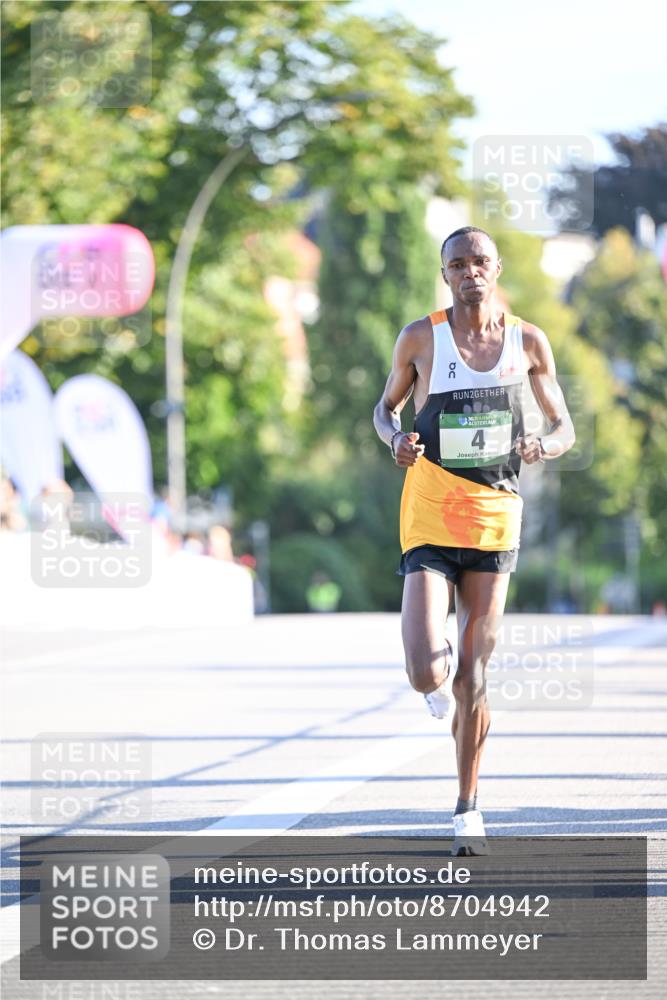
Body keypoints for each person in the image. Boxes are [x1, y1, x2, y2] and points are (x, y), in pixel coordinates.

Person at [373, 226, 575, 856]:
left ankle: (467, 808)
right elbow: (384, 410)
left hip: (493, 516)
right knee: (424, 669)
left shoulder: (527, 341)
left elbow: (565, 424)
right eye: (457, 263)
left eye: (479, 261)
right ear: (445, 274)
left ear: (497, 268)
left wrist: (545, 444)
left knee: (476, 675)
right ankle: (437, 691)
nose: (470, 272)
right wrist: (395, 439)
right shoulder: (420, 337)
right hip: (432, 512)